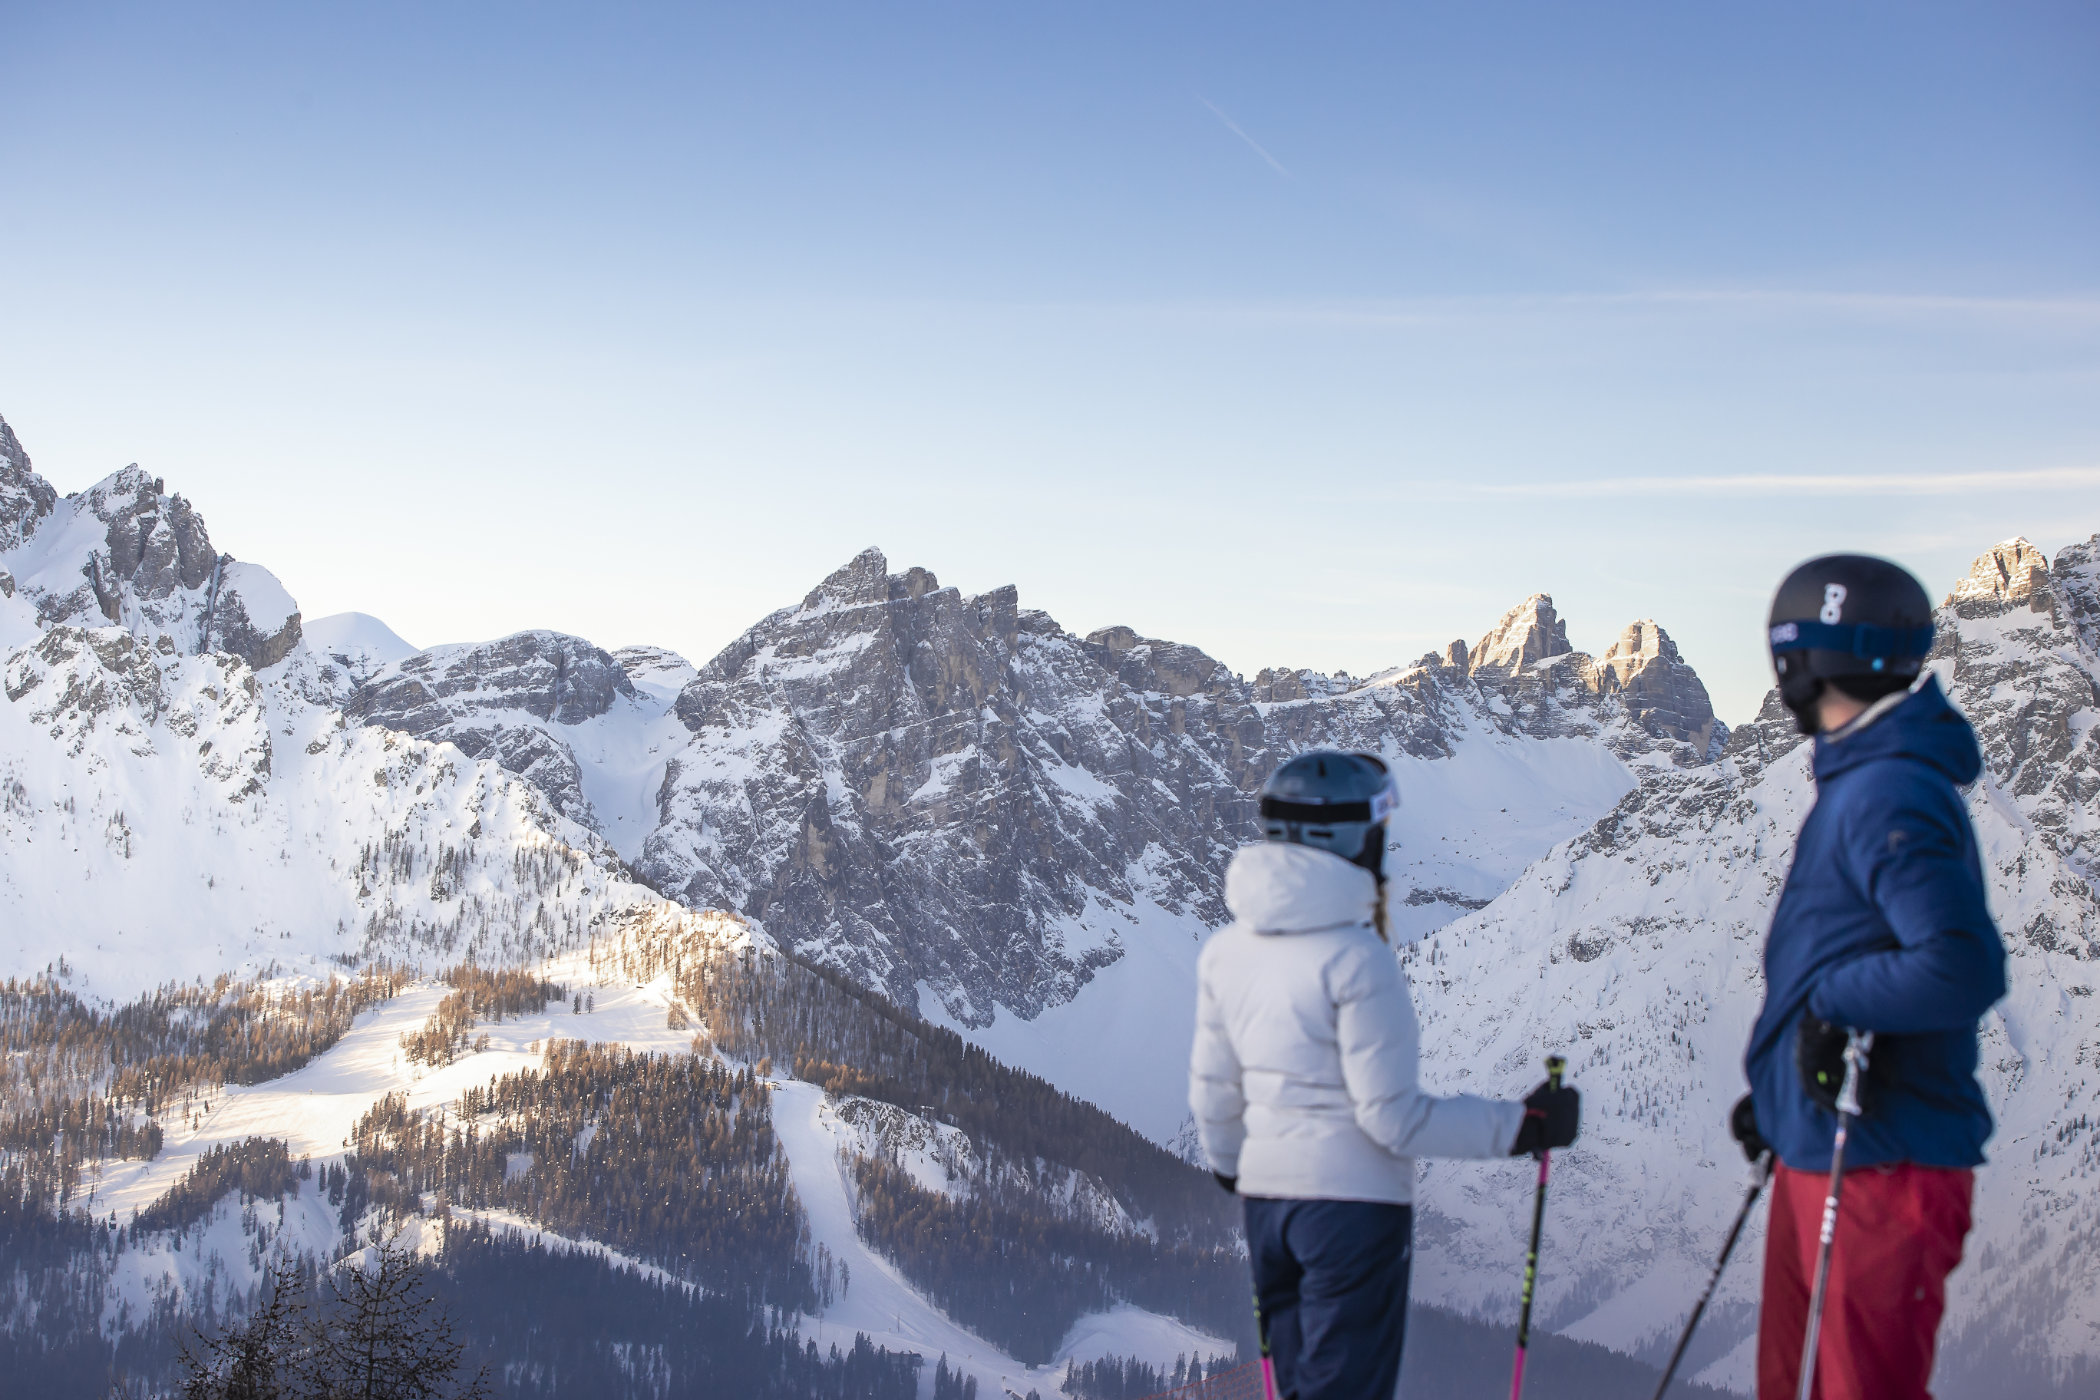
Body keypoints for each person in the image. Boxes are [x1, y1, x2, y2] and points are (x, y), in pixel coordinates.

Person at [1189, 750, 1580, 1400]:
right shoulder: (1358, 958)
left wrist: (1235, 1165)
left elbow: (1213, 1091)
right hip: (1352, 1213)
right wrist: (1526, 1126)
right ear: (1350, 837)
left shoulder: (1226, 952)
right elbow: (1392, 1118)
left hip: (1266, 1209)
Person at [1735, 554, 2008, 1400]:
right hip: (1830, 1142)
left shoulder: (1887, 790)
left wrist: (1830, 1009)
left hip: (1882, 1163)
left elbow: (1961, 966)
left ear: (1804, 659)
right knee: (1794, 1381)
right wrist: (1779, 1092)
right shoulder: (1864, 777)